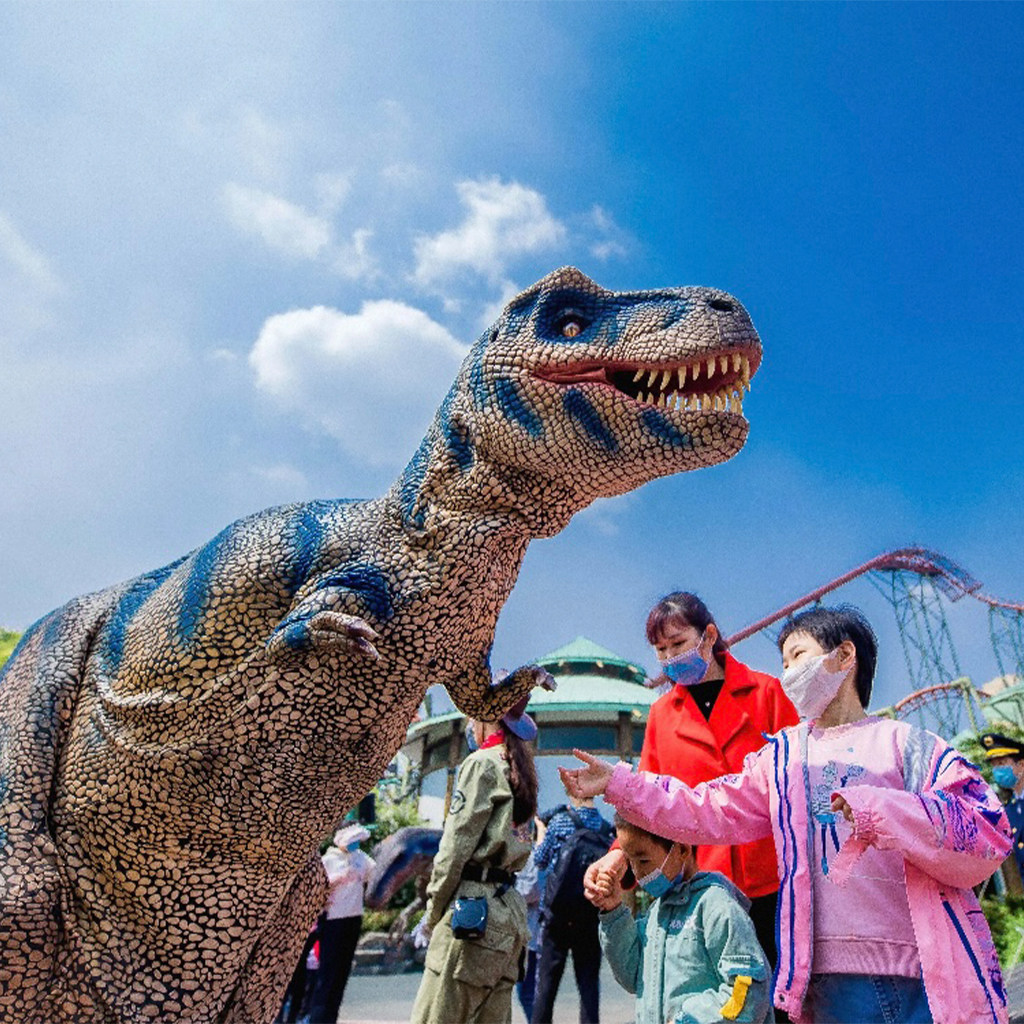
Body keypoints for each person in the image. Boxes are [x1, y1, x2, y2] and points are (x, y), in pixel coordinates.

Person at [562, 605, 1013, 1024]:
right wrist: (621, 783)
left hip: (918, 975)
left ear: (844, 655)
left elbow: (988, 830)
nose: (788, 674)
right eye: (783, 663)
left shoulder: (909, 745)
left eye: (798, 656)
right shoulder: (782, 760)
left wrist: (883, 810)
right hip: (822, 981)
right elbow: (706, 807)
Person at [585, 592, 798, 978]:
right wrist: (618, 856)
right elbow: (643, 802)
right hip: (704, 888)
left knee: (783, 1002)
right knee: (719, 1001)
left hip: (776, 882)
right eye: (661, 650)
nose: (669, 659)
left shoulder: (768, 693)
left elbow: (798, 782)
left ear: (709, 636)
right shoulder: (661, 716)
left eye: (679, 644)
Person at [410, 695, 538, 1024]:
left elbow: (455, 847)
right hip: (508, 915)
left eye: (471, 717)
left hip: (472, 913)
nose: (469, 725)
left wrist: (432, 912)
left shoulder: (482, 763)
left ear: (484, 718)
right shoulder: (520, 768)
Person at [589, 814, 771, 1024]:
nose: (638, 873)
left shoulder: (716, 905)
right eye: (631, 862)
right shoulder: (657, 912)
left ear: (682, 849)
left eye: (644, 860)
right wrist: (613, 911)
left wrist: (690, 1019)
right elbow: (632, 975)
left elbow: (746, 986)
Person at [530, 795, 612, 1024]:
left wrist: (540, 830)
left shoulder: (559, 822)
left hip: (557, 916)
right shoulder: (605, 829)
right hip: (589, 916)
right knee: (588, 987)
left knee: (546, 985)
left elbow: (540, 859)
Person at [306, 822, 375, 1024]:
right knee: (327, 972)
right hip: (333, 919)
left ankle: (331, 1017)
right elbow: (316, 887)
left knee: (342, 972)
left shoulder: (361, 859)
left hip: (353, 917)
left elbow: (375, 873)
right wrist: (338, 879)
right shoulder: (328, 860)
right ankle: (317, 1018)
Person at [981, 730, 1024, 884]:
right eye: (994, 765)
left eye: (1001, 764)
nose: (997, 771)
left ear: (1021, 765)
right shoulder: (1009, 810)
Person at [514, 822, 545, 1024]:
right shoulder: (525, 856)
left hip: (529, 937)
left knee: (526, 992)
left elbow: (530, 890)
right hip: (523, 935)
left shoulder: (531, 857)